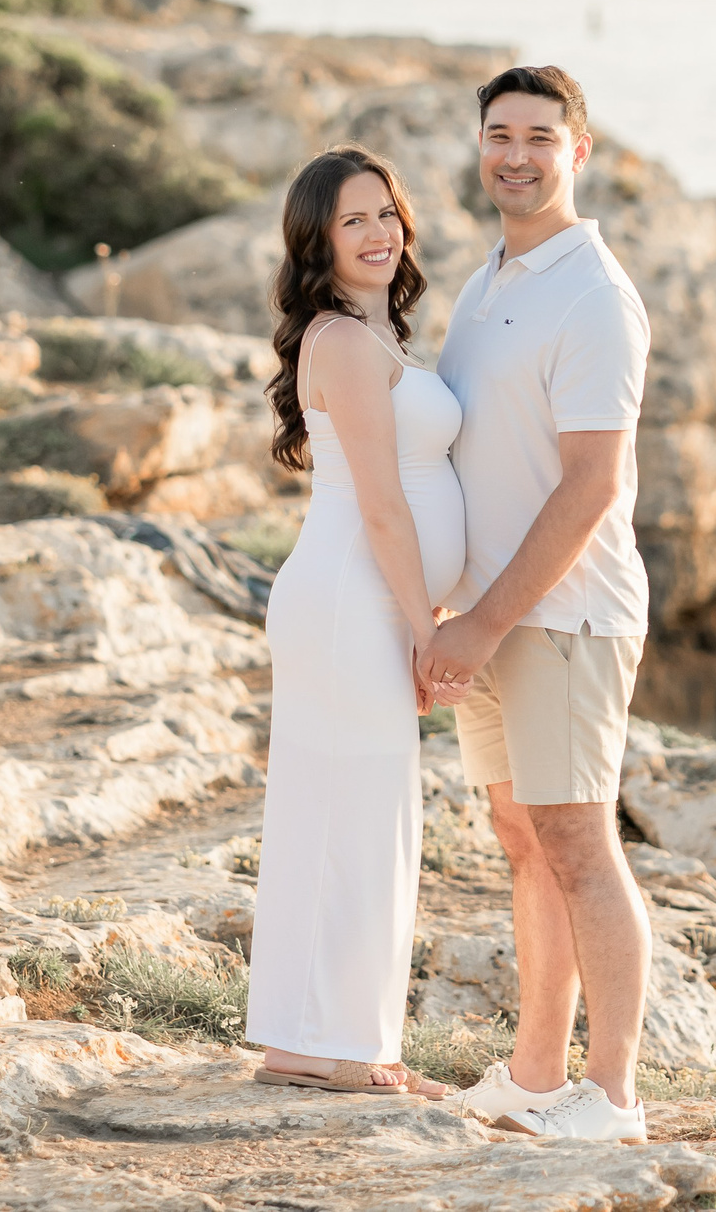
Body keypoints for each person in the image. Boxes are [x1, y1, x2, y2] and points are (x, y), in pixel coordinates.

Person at [417, 65, 655, 1143]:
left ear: (579, 151)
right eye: (498, 133)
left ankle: (609, 1096)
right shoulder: (490, 281)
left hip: (564, 615)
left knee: (575, 837)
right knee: (522, 837)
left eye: (540, 136)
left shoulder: (592, 294)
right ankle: (531, 1072)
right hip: (491, 612)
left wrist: (481, 621)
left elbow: (591, 485)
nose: (516, 153)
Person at [244, 147, 468, 1097]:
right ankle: (356, 1051)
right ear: (318, 243)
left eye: (388, 214)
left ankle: (305, 1039)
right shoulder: (338, 341)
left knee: (333, 811)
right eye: (354, 222)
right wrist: (428, 627)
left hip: (360, 598)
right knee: (363, 818)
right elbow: (382, 505)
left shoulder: (378, 339)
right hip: (352, 601)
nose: (380, 234)